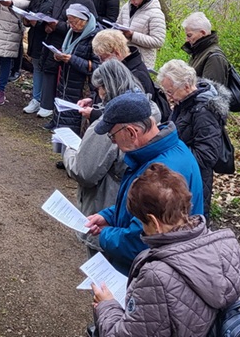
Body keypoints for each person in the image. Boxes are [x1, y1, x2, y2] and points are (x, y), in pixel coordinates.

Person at [91, 164, 240, 337]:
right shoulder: (227, 246)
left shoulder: (156, 276)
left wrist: (107, 305)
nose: (142, 230)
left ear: (154, 222)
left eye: (142, 223)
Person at [85, 92, 204, 274]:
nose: (114, 142)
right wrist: (109, 215)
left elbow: (141, 241)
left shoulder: (161, 171)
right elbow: (141, 208)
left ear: (132, 132)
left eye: (112, 136)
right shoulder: (166, 150)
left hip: (152, 272)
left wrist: (104, 234)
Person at [63, 59, 140, 223]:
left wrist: (69, 151)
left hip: (104, 207)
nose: (98, 94)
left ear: (107, 87)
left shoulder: (111, 125)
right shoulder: (146, 109)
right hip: (125, 207)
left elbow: (84, 172)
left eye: (98, 89)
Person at [157, 59, 228, 218]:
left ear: (187, 86)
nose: (169, 97)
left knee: (192, 224)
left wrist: (173, 155)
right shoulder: (185, 103)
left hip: (194, 180)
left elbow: (207, 155)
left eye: (170, 92)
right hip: (181, 176)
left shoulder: (203, 111)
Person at [90, 29, 167, 121]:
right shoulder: (120, 69)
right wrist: (93, 100)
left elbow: (133, 114)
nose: (101, 63)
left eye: (103, 58)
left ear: (117, 53)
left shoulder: (137, 76)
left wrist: (95, 114)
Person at [22, 0, 66, 119]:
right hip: (35, 36)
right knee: (36, 67)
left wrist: (41, 23)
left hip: (48, 38)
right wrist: (27, 20)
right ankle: (36, 98)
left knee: (46, 69)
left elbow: (55, 18)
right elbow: (29, 11)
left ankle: (45, 101)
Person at [48, 3, 99, 130]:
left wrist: (72, 59)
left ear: (84, 20)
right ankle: (58, 128)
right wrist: (58, 56)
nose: (71, 25)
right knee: (63, 108)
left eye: (74, 22)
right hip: (66, 80)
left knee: (74, 116)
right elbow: (68, 51)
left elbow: (98, 66)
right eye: (69, 22)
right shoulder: (72, 32)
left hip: (82, 86)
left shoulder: (96, 36)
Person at [115, 0, 165, 70]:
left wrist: (132, 35)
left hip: (142, 61)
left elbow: (158, 41)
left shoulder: (156, 14)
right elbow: (118, 24)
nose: (132, 2)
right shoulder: (126, 7)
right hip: (124, 57)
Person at [181, 11, 230, 86]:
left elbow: (211, 93)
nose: (187, 40)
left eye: (189, 35)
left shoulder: (214, 57)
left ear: (203, 33)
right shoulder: (199, 53)